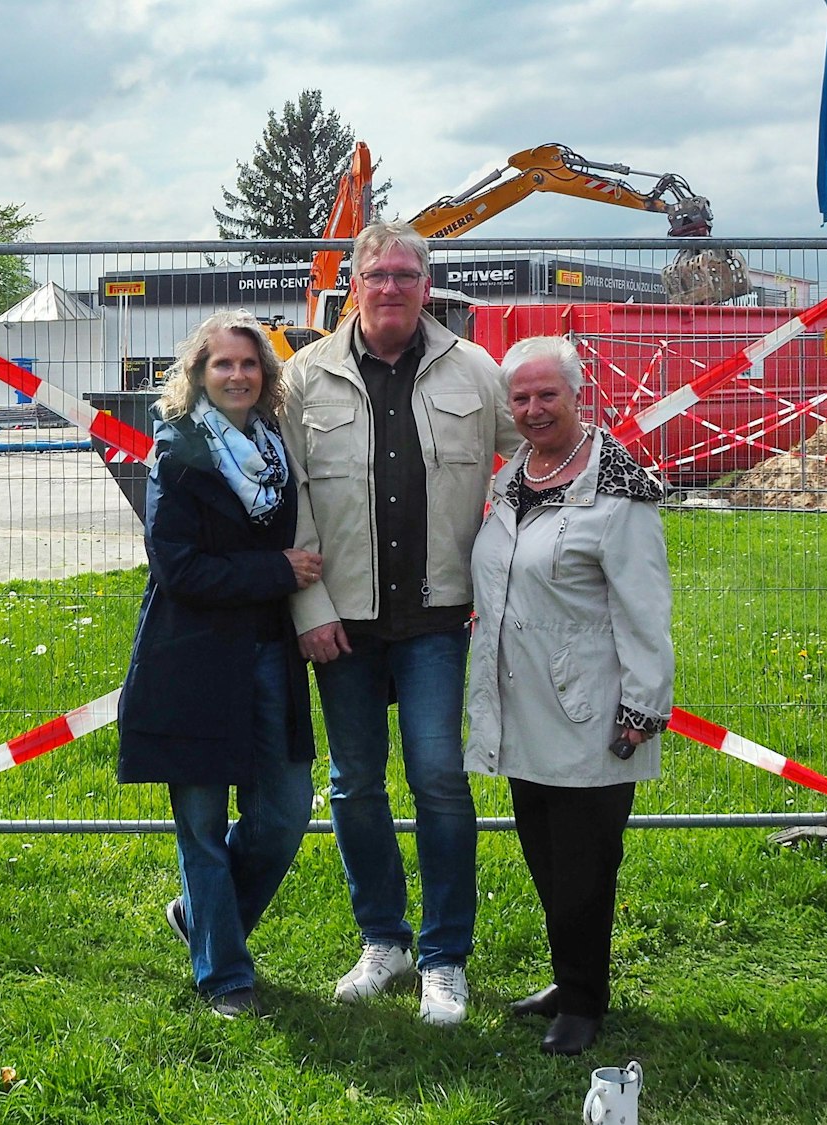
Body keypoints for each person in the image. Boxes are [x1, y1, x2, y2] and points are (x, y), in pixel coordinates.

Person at [279, 220, 522, 1025]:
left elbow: (535, 454)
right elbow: (291, 506)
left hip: (435, 620)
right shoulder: (303, 378)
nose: (391, 287)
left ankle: (445, 955)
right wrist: (309, 608)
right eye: (376, 274)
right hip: (341, 624)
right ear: (353, 282)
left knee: (438, 780)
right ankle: (384, 940)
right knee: (354, 784)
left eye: (405, 275)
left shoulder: (477, 371)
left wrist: (516, 555)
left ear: (428, 283)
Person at [465, 335, 673, 1056]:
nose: (532, 408)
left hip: (592, 711)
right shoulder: (513, 478)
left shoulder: (618, 491)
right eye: (519, 397)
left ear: (578, 396)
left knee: (585, 866)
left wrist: (643, 707)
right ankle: (569, 974)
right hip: (521, 709)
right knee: (547, 858)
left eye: (546, 394)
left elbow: (645, 610)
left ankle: (584, 1000)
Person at [117, 310, 327, 1019]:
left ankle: (203, 916)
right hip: (192, 663)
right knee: (201, 824)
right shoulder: (177, 451)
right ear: (198, 375)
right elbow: (178, 569)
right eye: (223, 364)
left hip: (268, 654)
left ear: (266, 375)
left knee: (287, 809)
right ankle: (225, 974)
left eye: (250, 364)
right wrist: (275, 570)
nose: (237, 375)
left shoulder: (274, 448)